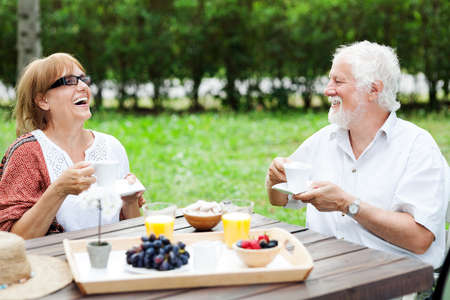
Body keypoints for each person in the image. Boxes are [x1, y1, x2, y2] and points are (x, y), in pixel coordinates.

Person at [266, 41, 449, 269]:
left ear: (373, 89)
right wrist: (275, 178)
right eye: (330, 79)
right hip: (325, 273)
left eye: (338, 81)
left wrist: (347, 204)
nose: (327, 90)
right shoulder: (324, 140)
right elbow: (280, 199)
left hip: (393, 284)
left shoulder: (417, 147)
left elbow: (419, 239)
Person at [0, 53, 145, 239]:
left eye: (83, 79)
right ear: (43, 100)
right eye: (69, 81)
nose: (83, 86)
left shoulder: (112, 146)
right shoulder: (26, 153)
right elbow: (12, 239)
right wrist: (58, 190)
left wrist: (130, 202)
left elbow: (131, 234)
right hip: (54, 265)